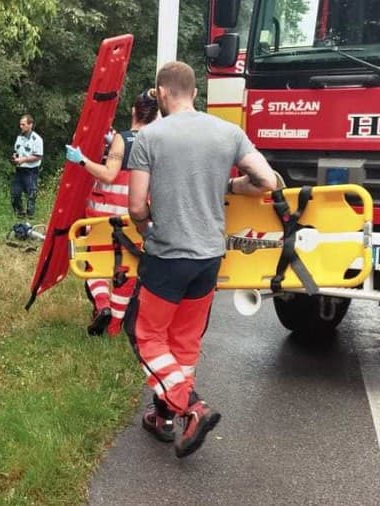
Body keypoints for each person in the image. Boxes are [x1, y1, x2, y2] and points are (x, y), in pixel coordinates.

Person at [126, 61, 279, 458]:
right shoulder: (228, 132)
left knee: (144, 334)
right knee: (184, 340)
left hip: (167, 256)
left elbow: (137, 207)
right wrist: (228, 185)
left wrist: (146, 232)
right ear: (195, 93)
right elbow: (267, 181)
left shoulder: (149, 137)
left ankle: (191, 407)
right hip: (209, 257)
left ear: (160, 93)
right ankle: (164, 417)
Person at [65, 90, 159, 336]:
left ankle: (102, 306)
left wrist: (82, 160)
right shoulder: (158, 142)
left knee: (95, 262)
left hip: (106, 212)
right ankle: (116, 327)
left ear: (133, 111)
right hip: (136, 215)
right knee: (126, 269)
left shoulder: (124, 138)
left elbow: (108, 174)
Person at [10, 114, 43, 219]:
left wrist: (23, 159)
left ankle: (30, 216)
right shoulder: (19, 138)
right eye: (20, 124)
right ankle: (19, 214)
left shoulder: (37, 139)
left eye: (23, 124)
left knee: (31, 194)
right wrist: (14, 157)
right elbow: (16, 151)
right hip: (19, 169)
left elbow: (38, 156)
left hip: (31, 170)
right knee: (15, 193)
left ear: (30, 125)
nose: (21, 126)